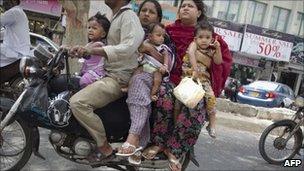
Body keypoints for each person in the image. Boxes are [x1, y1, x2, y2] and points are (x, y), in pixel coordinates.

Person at [142, 1, 232, 171]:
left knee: (196, 104)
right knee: (164, 96)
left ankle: (175, 149)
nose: (185, 8)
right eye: (183, 5)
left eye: (190, 6)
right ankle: (159, 143)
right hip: (170, 79)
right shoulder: (167, 31)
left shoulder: (209, 36)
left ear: (198, 12)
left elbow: (223, 63)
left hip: (195, 82)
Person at [68, 0, 144, 161]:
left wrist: (91, 49)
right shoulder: (116, 17)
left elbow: (129, 47)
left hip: (117, 78)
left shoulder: (128, 16)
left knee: (78, 103)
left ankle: (105, 148)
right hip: (107, 74)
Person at [115, 0, 175, 165]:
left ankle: (134, 137)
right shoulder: (130, 30)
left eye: (151, 12)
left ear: (158, 17)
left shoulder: (163, 39)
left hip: (149, 74)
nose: (146, 14)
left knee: (138, 80)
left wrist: (149, 50)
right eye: (144, 10)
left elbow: (168, 62)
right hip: (121, 72)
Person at [182, 21, 222, 138]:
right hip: (189, 76)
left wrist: (218, 49)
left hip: (203, 80)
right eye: (201, 37)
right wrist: (195, 70)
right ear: (195, 38)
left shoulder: (211, 50)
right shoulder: (193, 45)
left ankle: (212, 123)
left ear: (212, 39)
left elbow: (218, 62)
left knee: (211, 98)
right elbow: (191, 54)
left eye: (207, 37)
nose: (204, 40)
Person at [0, 0, 30, 83]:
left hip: (15, 53)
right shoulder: (20, 13)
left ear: (14, 1)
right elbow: (4, 33)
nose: (4, 3)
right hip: (18, 52)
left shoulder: (14, 12)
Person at [79, 12, 110, 88]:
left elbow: (84, 50)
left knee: (84, 81)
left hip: (95, 73)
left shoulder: (99, 45)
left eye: (94, 28)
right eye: (89, 27)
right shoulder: (89, 44)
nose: (90, 30)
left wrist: (72, 49)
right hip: (87, 71)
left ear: (103, 34)